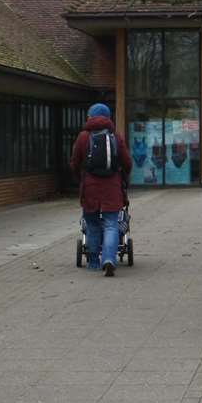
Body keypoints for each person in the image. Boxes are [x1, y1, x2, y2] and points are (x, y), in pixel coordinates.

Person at [70, 103, 133, 276]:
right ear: (108, 118)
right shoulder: (116, 137)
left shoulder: (83, 137)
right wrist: (124, 178)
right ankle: (109, 259)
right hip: (112, 187)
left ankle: (92, 261)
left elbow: (75, 162)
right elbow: (127, 162)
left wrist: (79, 179)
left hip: (90, 187)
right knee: (111, 225)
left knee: (92, 225)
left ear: (90, 117)